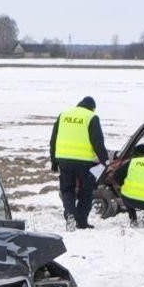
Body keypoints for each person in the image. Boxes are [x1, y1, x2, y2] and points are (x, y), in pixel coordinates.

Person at [49, 96, 109, 231]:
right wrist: (104, 160)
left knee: (67, 190)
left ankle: (70, 214)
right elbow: (98, 141)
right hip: (83, 161)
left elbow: (54, 139)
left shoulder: (63, 115)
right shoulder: (91, 117)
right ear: (92, 108)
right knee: (86, 191)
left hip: (63, 160)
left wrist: (53, 159)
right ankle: (81, 221)